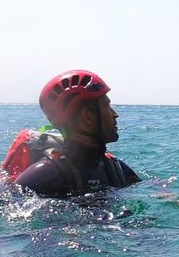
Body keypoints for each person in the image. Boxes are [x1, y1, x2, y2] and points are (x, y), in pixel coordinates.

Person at [13, 69, 140, 198]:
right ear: (87, 116)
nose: (115, 114)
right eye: (107, 106)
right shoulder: (44, 175)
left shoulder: (115, 169)